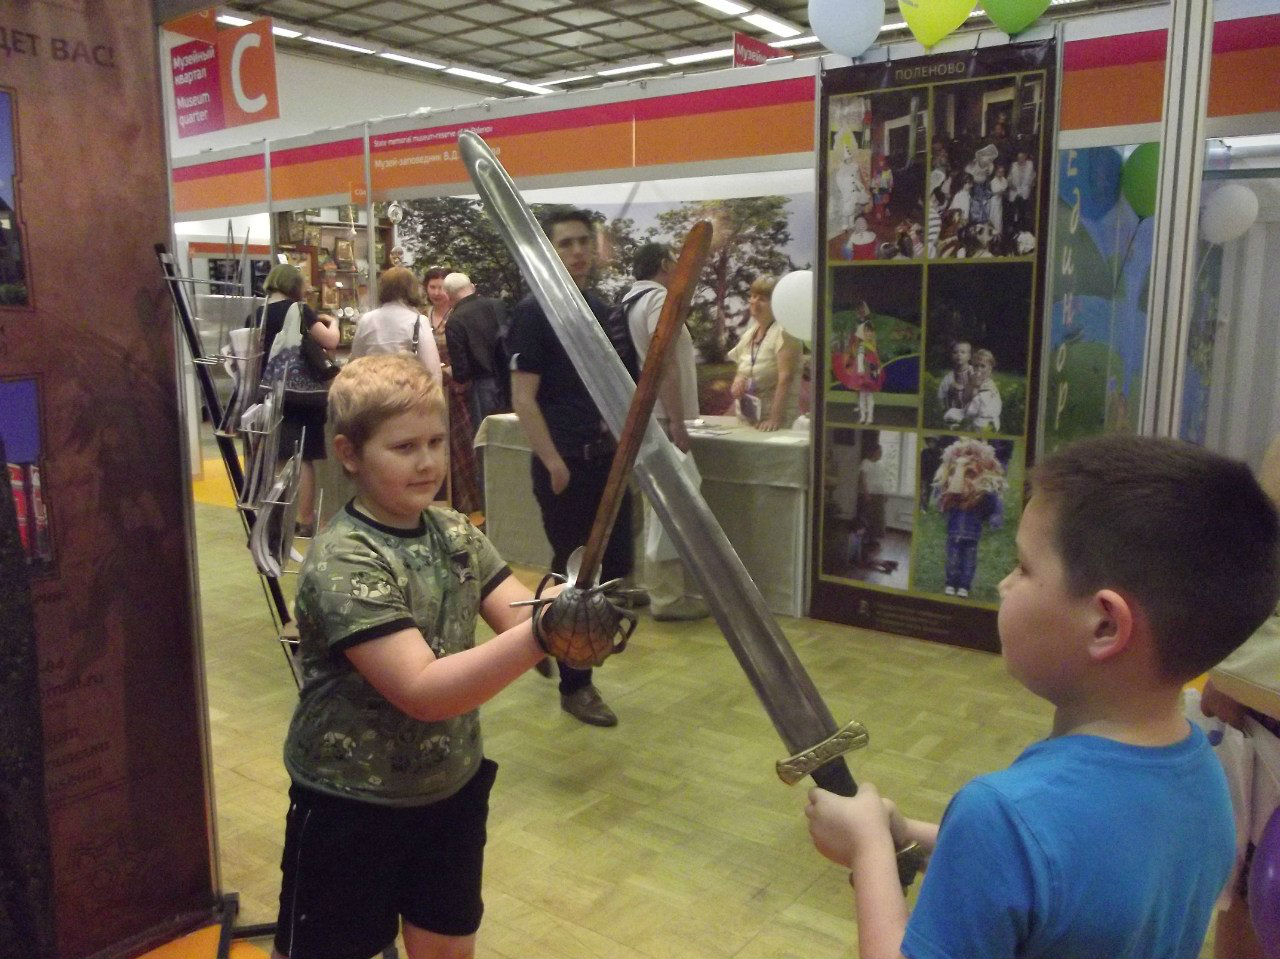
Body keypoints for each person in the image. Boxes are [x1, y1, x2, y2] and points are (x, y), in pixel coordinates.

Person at [805, 433, 1280, 959]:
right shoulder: (1206, 778)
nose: (1005, 585)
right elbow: (1070, 879)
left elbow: (1027, 855)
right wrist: (908, 834)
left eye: (1024, 567)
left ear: (1105, 625)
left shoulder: (1003, 814)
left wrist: (868, 849)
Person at [272, 353, 558, 959]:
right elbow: (423, 691)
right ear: (349, 453)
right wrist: (543, 633)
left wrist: (568, 616)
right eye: (404, 447)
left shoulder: (454, 532)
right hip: (350, 803)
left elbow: (517, 617)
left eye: (434, 442)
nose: (427, 461)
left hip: (448, 788)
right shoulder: (344, 558)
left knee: (447, 948)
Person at [508, 208, 638, 727]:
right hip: (565, 466)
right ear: (549, 251)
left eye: (584, 241)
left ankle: (539, 634)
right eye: (566, 243)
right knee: (579, 578)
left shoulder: (602, 310)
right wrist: (553, 461)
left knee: (617, 565)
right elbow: (524, 398)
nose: (578, 251)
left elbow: (620, 389)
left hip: (608, 463)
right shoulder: (534, 313)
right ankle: (576, 684)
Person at [623, 242, 709, 623]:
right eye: (674, 259)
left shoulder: (630, 300)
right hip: (660, 417)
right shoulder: (659, 300)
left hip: (643, 414)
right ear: (663, 263)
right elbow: (666, 363)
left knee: (649, 507)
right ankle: (668, 597)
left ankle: (646, 584)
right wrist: (677, 420)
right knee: (667, 507)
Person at [255, 263, 340, 537]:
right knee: (304, 457)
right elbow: (330, 341)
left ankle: (281, 516)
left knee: (280, 455)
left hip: (272, 392)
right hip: (303, 397)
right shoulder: (300, 310)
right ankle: (305, 519)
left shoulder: (258, 313)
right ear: (293, 285)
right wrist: (333, 322)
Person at [423, 266, 482, 517]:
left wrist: (448, 371)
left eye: (441, 287)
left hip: (458, 391)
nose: (437, 292)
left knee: (463, 448)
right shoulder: (422, 316)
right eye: (432, 287)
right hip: (431, 391)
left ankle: (470, 506)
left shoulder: (459, 315)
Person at [932, 437, 1006, 599]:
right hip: (954, 532)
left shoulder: (982, 494)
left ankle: (964, 585)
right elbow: (948, 496)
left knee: (968, 561)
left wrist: (985, 489)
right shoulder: (952, 493)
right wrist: (959, 467)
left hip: (973, 534)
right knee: (952, 559)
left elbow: (990, 506)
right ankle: (951, 583)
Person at [727, 276, 801, 432]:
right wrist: (737, 383)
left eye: (762, 299)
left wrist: (774, 419)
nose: (754, 301)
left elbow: (786, 378)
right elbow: (741, 370)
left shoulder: (784, 333)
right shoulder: (749, 333)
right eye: (753, 296)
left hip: (776, 425)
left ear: (776, 304)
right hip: (748, 421)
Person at [442, 272, 510, 435]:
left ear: (448, 296)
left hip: (482, 389)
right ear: (472, 287)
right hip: (510, 380)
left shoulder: (454, 321)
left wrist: (447, 371)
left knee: (487, 437)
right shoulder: (498, 305)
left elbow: (461, 373)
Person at [350, 266, 442, 382]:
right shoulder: (418, 321)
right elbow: (432, 369)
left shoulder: (366, 320)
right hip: (405, 388)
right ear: (412, 289)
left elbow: (356, 361)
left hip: (373, 387)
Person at [944, 348, 1001, 433]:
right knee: (951, 413)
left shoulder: (989, 385)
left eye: (982, 366)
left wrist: (976, 387)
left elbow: (979, 403)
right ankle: (959, 426)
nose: (979, 369)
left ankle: (968, 428)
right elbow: (965, 399)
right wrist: (972, 385)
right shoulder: (972, 380)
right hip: (971, 411)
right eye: (976, 366)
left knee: (980, 424)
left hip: (986, 415)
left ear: (990, 369)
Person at [936, 340, 973, 424]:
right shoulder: (949, 377)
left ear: (969, 356)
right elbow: (940, 396)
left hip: (972, 411)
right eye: (955, 352)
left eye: (963, 352)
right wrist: (944, 409)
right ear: (951, 356)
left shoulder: (974, 373)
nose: (959, 355)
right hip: (955, 412)